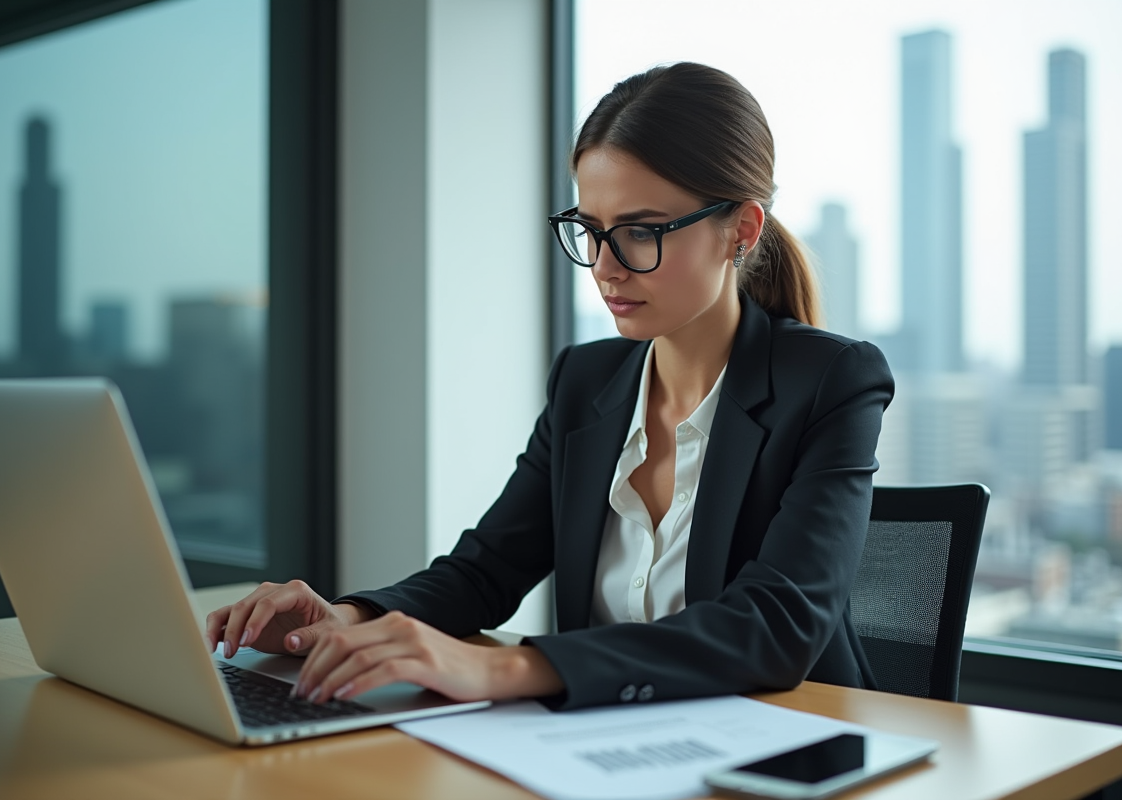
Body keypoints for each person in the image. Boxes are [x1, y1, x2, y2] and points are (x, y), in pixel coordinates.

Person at [207, 62, 894, 711]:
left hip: (796, 744)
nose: (605, 268)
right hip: (612, 748)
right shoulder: (585, 382)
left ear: (739, 230)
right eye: (590, 232)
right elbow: (484, 572)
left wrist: (505, 668)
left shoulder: (831, 381)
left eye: (640, 233)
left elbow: (777, 625)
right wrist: (344, 618)